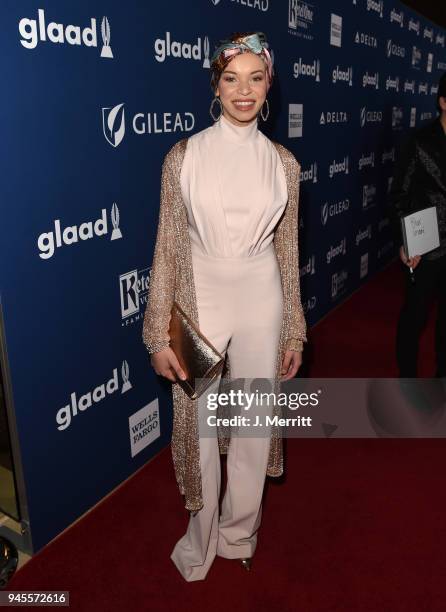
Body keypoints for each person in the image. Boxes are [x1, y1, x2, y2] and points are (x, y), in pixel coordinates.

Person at [142, 31, 307, 581]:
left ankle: (240, 534)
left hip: (263, 295)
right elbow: (167, 246)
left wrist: (294, 331)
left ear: (269, 86)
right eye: (231, 78)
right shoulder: (182, 156)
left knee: (255, 422)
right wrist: (157, 335)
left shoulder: (285, 164)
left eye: (255, 78)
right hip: (201, 296)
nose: (244, 91)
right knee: (202, 424)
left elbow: (288, 252)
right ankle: (202, 536)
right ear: (215, 83)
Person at [388, 72, 446, 378]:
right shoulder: (420, 141)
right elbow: (400, 195)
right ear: (443, 102)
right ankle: (407, 383)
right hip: (427, 246)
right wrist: (408, 242)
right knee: (415, 318)